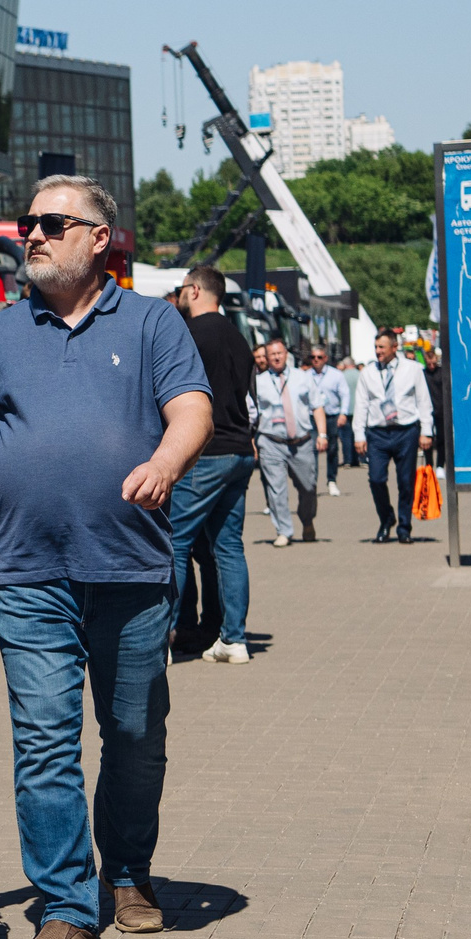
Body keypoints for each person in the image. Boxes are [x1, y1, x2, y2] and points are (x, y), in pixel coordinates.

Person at [0, 175, 213, 939]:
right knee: (45, 741)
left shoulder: (153, 322)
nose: (35, 234)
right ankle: (66, 907)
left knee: (132, 734)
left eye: (54, 222)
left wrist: (164, 459)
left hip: (131, 566)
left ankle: (127, 871)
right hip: (25, 574)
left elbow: (192, 407)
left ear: (99, 239)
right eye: (29, 223)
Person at [165, 266, 259, 664]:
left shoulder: (190, 335)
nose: (181, 295)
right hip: (239, 450)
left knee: (176, 543)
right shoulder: (239, 337)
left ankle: (161, 641)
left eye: (184, 288)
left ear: (197, 290)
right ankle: (233, 640)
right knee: (228, 547)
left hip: (207, 451)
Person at [351, 328, 436, 543]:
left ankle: (404, 527)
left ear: (394, 348)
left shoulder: (413, 369)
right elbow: (360, 404)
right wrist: (358, 434)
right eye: (376, 347)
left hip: (405, 431)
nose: (378, 351)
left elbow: (423, 400)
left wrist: (427, 431)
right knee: (376, 478)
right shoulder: (367, 373)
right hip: (377, 433)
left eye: (382, 347)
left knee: (406, 481)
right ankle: (387, 518)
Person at [252, 339, 322, 546]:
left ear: (286, 354)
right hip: (271, 442)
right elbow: (251, 414)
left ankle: (307, 520)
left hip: (302, 442)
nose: (276, 357)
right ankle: (284, 530)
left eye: (279, 353)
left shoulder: (303, 378)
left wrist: (323, 435)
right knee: (276, 489)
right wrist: (252, 441)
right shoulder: (259, 381)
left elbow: (317, 406)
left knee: (308, 487)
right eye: (271, 354)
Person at [308, 345, 351, 496]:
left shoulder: (336, 375)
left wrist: (343, 413)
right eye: (313, 357)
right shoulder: (306, 376)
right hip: (312, 418)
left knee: (332, 449)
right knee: (312, 449)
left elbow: (345, 394)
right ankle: (312, 483)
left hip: (331, 416)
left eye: (319, 357)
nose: (316, 360)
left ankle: (331, 480)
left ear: (325, 358)